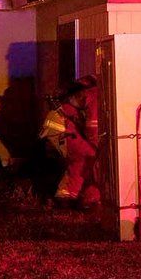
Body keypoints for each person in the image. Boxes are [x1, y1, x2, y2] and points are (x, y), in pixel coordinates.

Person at [53, 74, 101, 210]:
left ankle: (89, 198)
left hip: (63, 124)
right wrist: (97, 145)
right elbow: (93, 126)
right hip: (64, 127)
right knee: (85, 156)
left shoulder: (90, 90)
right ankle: (66, 197)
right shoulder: (96, 93)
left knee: (87, 158)